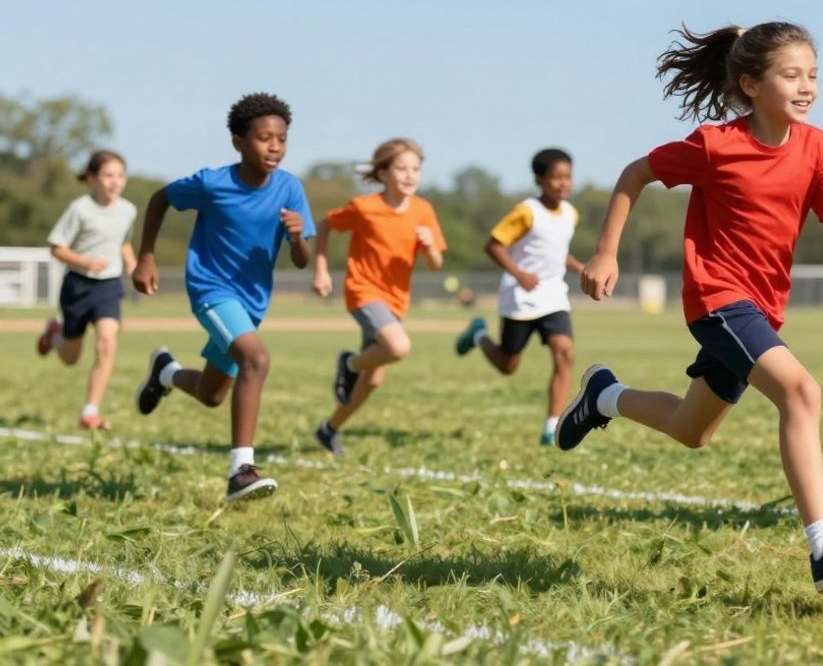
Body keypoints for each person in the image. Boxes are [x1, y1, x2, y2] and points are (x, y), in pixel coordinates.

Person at [557, 22, 823, 594]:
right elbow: (635, 173)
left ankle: (603, 396)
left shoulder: (817, 147)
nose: (807, 86)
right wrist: (605, 252)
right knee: (802, 392)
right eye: (791, 75)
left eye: (813, 74)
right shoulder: (717, 145)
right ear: (751, 84)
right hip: (717, 299)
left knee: (692, 431)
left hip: (762, 309)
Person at [131, 92, 315, 502]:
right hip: (212, 291)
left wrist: (299, 236)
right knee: (256, 358)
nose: (275, 147)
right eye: (264, 138)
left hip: (251, 303)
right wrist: (146, 256)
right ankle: (241, 471)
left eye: (282, 139)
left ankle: (165, 372)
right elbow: (161, 198)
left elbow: (302, 261)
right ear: (238, 141)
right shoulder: (213, 183)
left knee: (214, 395)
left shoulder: (289, 188)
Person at [313, 138, 446, 455]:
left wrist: (428, 247)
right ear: (383, 173)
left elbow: (435, 264)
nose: (410, 175)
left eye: (416, 169)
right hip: (363, 291)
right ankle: (350, 363)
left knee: (371, 381)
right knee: (398, 347)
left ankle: (328, 429)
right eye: (402, 168)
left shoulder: (423, 210)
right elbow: (325, 225)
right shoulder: (365, 208)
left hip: (396, 300)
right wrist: (320, 268)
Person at [454, 148, 582, 446]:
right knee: (507, 365)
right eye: (556, 177)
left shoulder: (570, 213)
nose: (564, 183)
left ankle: (552, 426)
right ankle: (479, 335)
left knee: (566, 353)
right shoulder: (527, 212)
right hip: (520, 297)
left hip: (553, 295)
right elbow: (494, 245)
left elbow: (556, 251)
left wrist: (580, 267)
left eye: (568, 177)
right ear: (540, 180)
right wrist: (519, 273)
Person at [36, 150, 138, 430]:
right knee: (70, 358)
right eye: (108, 175)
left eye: (120, 175)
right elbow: (57, 247)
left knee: (107, 341)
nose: (115, 181)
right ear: (92, 179)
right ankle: (55, 334)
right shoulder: (79, 209)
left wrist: (133, 266)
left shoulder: (128, 210)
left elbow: (124, 242)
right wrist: (85, 261)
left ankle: (90, 412)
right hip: (78, 285)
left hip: (109, 285)